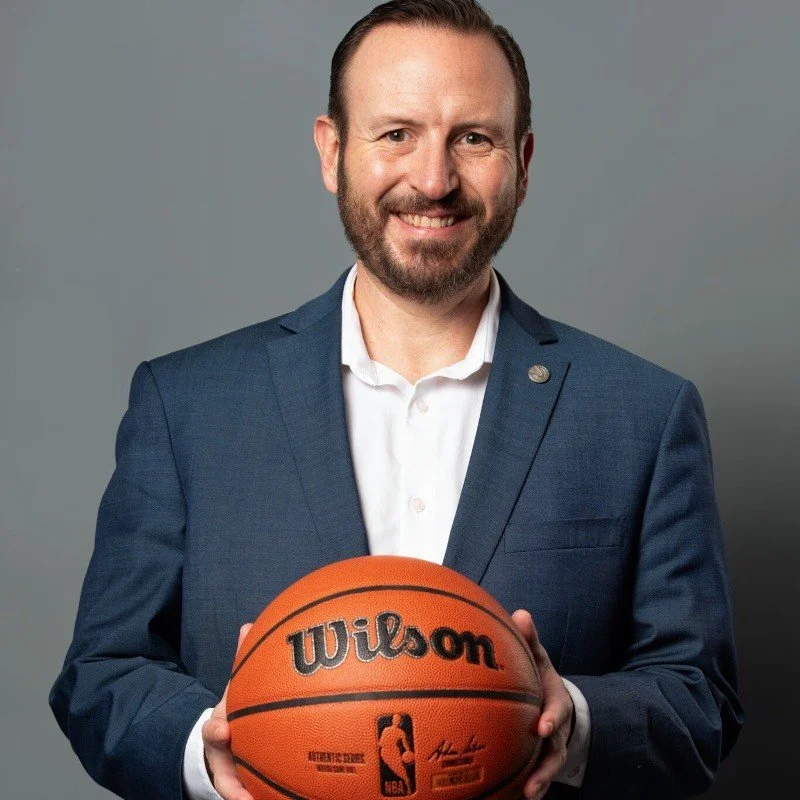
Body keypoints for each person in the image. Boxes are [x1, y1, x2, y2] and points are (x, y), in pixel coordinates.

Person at [49, 2, 743, 799]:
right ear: (331, 151)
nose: (434, 180)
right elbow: (102, 676)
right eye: (396, 134)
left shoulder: (641, 416)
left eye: (472, 138)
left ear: (522, 161)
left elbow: (701, 701)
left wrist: (572, 717)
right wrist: (216, 748)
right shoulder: (189, 406)